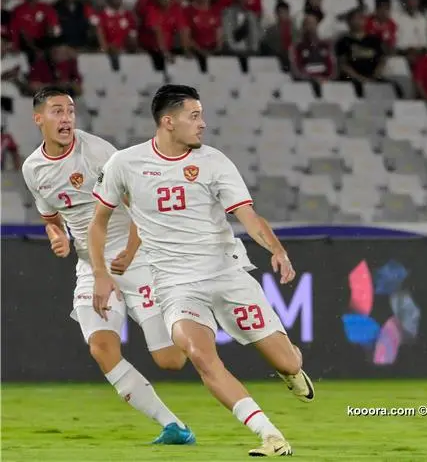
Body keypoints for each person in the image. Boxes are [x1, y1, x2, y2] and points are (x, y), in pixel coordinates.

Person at [88, 84, 315, 457]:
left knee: (286, 359)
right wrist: (101, 269)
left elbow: (248, 216)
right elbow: (99, 222)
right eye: (194, 116)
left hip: (226, 274)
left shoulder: (214, 162)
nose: (203, 124)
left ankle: (290, 371)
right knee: (200, 355)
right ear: (168, 122)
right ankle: (270, 435)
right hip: (175, 285)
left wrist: (276, 249)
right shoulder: (124, 164)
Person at [20, 86, 194, 445]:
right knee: (101, 347)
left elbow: (140, 208)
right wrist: (57, 236)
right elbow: (51, 217)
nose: (66, 118)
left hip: (135, 256)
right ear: (38, 119)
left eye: (69, 110)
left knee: (171, 360)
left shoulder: (99, 153)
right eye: (56, 111)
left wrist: (129, 254)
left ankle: (200, 301)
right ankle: (173, 426)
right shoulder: (33, 168)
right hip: (91, 266)